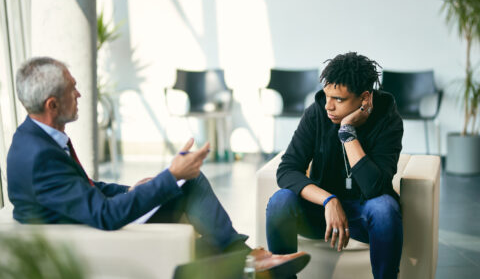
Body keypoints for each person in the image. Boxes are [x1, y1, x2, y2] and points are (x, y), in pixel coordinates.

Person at [7, 57, 310, 279]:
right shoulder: (39, 157)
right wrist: (171, 176)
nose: (79, 95)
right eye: (73, 89)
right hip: (93, 231)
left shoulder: (36, 139)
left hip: (85, 218)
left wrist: (133, 189)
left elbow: (87, 188)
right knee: (188, 183)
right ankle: (250, 262)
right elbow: (104, 214)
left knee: (189, 194)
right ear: (52, 105)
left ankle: (249, 262)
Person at [266, 52, 404, 279]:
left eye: (338, 99)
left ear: (365, 98)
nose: (328, 106)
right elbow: (287, 169)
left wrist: (348, 133)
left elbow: (375, 187)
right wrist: (329, 200)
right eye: (328, 96)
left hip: (364, 214)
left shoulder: (387, 118)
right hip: (321, 213)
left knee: (384, 208)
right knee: (280, 200)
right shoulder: (317, 112)